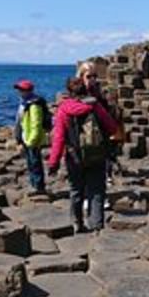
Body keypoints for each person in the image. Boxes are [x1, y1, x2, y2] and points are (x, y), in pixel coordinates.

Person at [47, 78, 119, 233]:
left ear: (69, 91)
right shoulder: (94, 106)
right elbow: (113, 128)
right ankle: (97, 227)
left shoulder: (64, 109)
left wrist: (53, 163)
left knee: (76, 191)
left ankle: (77, 223)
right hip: (97, 155)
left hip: (74, 156)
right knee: (97, 191)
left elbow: (58, 138)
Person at [13, 79, 51, 193]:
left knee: (35, 163)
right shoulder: (25, 103)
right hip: (26, 137)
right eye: (18, 89)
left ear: (27, 91)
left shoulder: (34, 105)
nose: (18, 92)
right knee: (30, 163)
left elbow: (36, 124)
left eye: (21, 90)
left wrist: (32, 141)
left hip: (32, 139)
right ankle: (34, 185)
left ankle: (38, 187)